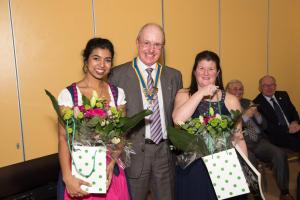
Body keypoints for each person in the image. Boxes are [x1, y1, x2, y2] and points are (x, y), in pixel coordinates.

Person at [109, 23, 183, 200]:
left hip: (165, 155)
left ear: (163, 47)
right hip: (133, 155)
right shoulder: (117, 75)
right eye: (146, 43)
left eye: (157, 44)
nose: (151, 49)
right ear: (137, 43)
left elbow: (178, 117)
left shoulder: (174, 76)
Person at [57, 38, 130, 200]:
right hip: (81, 167)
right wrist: (67, 177)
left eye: (107, 60)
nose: (102, 65)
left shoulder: (118, 94)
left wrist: (112, 163)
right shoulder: (69, 94)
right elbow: (63, 138)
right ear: (86, 60)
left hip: (109, 169)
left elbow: (121, 135)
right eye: (96, 58)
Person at [172, 51, 247, 200]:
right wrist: (201, 93)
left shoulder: (231, 100)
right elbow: (177, 120)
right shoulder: (184, 94)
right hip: (194, 166)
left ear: (217, 72)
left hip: (224, 166)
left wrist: (244, 168)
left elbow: (238, 138)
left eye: (211, 69)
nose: (206, 73)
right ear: (194, 71)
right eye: (201, 68)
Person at [226, 79, 294, 200]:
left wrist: (256, 113)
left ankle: (284, 192)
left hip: (259, 141)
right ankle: (255, 193)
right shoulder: (225, 105)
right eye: (235, 89)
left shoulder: (248, 102)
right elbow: (231, 128)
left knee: (279, 154)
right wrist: (246, 116)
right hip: (242, 144)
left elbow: (264, 126)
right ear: (227, 91)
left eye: (240, 89)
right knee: (250, 162)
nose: (238, 91)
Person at [253, 75, 300, 152]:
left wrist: (295, 122)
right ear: (260, 88)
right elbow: (266, 126)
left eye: (272, 85)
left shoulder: (283, 95)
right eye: (265, 85)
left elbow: (293, 111)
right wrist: (287, 129)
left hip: (293, 128)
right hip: (277, 135)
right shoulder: (257, 103)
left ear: (275, 86)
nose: (269, 88)